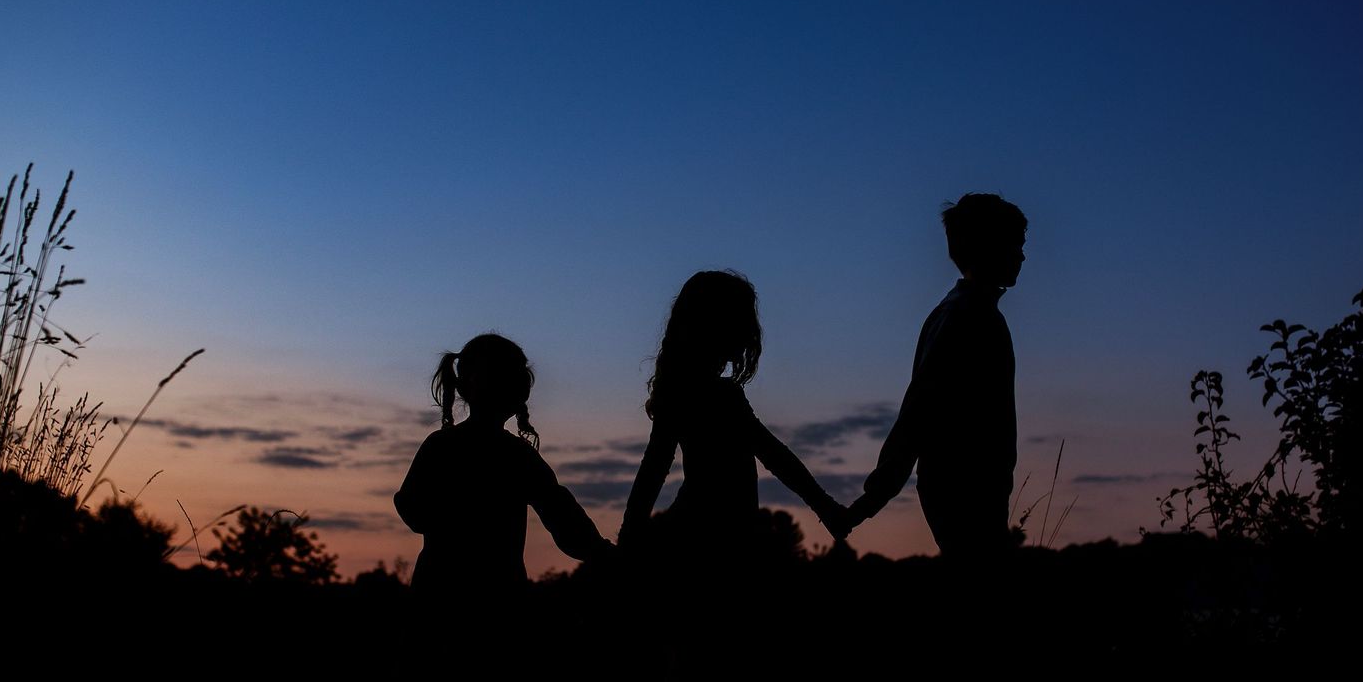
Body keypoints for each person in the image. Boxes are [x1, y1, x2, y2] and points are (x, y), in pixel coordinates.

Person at [620, 270, 853, 559]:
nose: (750, 331)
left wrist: (628, 538)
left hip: (704, 536)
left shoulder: (682, 391)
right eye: (742, 319)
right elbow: (774, 455)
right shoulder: (718, 396)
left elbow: (652, 469)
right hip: (714, 541)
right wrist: (826, 508)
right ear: (717, 324)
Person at [845, 193, 1027, 561]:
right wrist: (879, 491)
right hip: (962, 489)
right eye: (1014, 246)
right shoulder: (964, 316)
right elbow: (920, 406)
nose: (1022, 256)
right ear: (986, 246)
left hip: (976, 489)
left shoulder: (973, 313)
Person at [394, 333, 613, 605]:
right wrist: (604, 554)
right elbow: (565, 519)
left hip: (442, 595)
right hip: (495, 599)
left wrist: (601, 553)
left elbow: (410, 507)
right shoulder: (516, 456)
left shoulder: (446, 446)